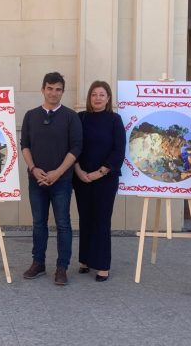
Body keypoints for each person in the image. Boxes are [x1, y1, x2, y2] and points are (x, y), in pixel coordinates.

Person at [20, 72, 82, 285]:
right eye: (50, 88)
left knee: (63, 223)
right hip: (36, 179)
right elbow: (25, 145)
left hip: (61, 181)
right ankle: (38, 263)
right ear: (43, 89)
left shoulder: (71, 117)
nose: (53, 93)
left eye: (58, 89)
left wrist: (57, 172)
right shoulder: (31, 115)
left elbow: (76, 148)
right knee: (38, 223)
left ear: (62, 92)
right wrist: (33, 168)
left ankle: (62, 267)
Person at [72, 81, 125, 282]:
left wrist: (100, 172)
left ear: (108, 98)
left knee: (102, 220)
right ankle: (85, 260)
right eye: (94, 94)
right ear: (89, 97)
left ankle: (102, 265)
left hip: (105, 178)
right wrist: (78, 170)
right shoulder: (80, 118)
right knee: (85, 219)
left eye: (102, 94)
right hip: (81, 177)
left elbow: (119, 150)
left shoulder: (114, 120)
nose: (98, 98)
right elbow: (74, 145)